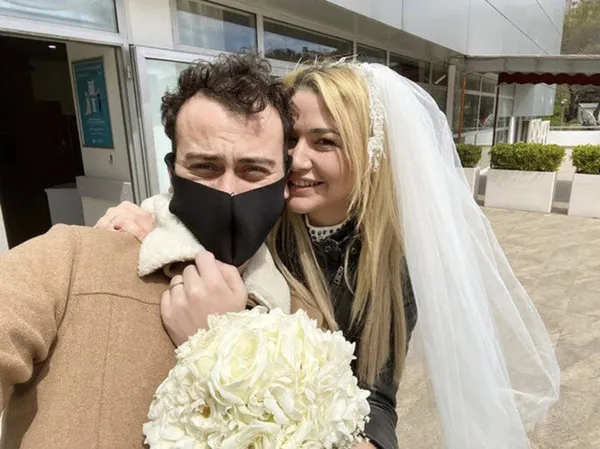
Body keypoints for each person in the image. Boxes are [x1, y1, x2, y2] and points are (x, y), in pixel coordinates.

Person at [101, 59, 561, 449]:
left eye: (325, 142)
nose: (298, 160)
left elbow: (376, 393)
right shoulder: (260, 219)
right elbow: (198, 200)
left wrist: (371, 442)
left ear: (368, 153)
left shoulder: (392, 262)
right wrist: (152, 218)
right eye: (290, 141)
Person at [0, 53, 295, 449]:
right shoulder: (71, 261)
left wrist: (221, 341)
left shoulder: (303, 316)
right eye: (205, 167)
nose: (228, 190)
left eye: (253, 170)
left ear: (286, 182)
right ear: (173, 175)